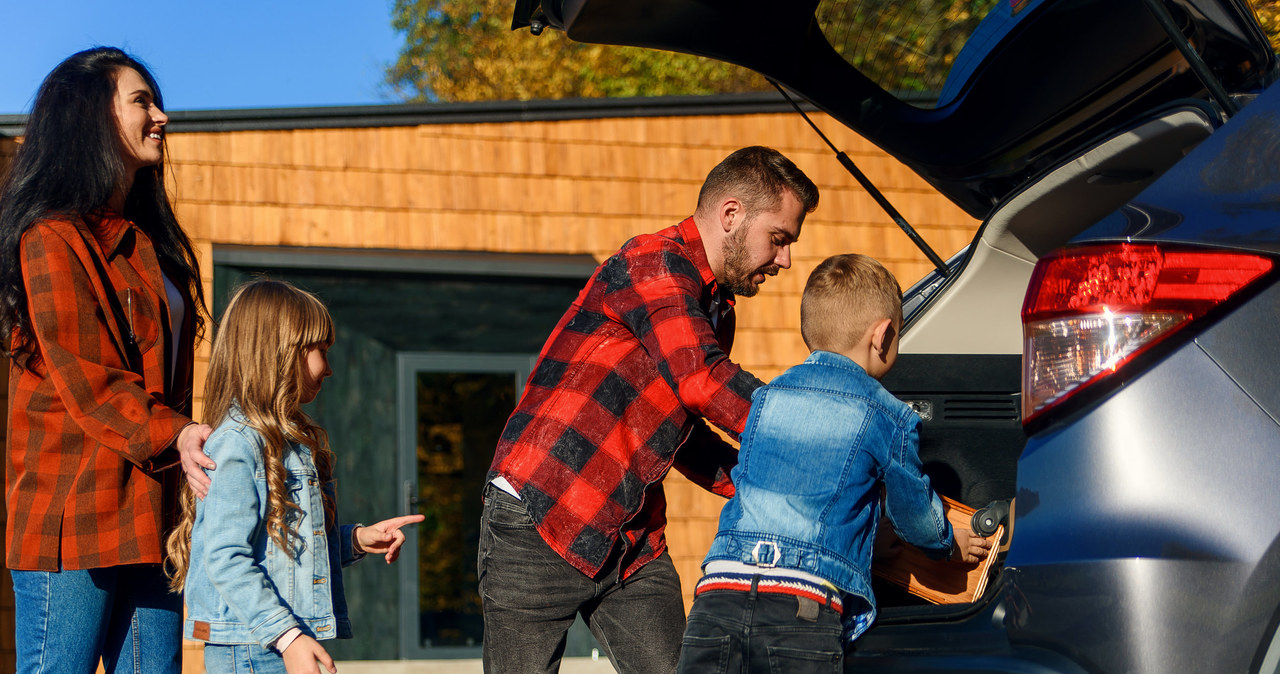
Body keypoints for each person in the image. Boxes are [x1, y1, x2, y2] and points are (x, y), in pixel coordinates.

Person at [479, 145, 820, 673]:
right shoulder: (653, 263)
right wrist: (818, 437)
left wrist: (765, 482)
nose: (785, 261)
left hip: (631, 537)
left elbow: (684, 433)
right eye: (779, 239)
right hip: (541, 512)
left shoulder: (714, 309)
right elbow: (702, 381)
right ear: (732, 215)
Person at [0, 47, 217, 672]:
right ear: (92, 116)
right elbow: (92, 379)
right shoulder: (53, 239)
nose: (163, 117)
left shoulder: (149, 244)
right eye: (141, 101)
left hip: (151, 515)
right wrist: (176, 432)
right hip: (74, 516)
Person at [674, 254, 992, 673]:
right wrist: (950, 543)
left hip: (717, 594)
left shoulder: (767, 398)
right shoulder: (887, 415)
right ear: (883, 336)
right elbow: (915, 517)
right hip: (800, 609)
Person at [165, 279, 424, 674]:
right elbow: (226, 556)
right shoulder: (238, 444)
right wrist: (288, 637)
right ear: (281, 352)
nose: (330, 367)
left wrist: (356, 539)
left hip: (276, 639)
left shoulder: (287, 442)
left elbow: (283, 548)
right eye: (321, 350)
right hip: (254, 646)